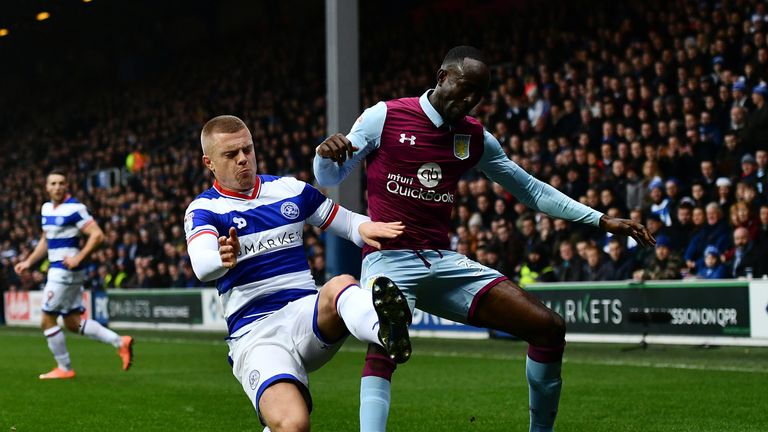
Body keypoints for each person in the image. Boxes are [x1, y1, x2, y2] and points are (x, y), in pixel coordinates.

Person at [313, 46, 655, 432]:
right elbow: (328, 178)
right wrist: (325, 156)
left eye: (479, 94)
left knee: (549, 327)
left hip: (442, 261)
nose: (470, 100)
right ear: (442, 77)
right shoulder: (386, 116)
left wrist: (600, 219)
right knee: (386, 340)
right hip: (389, 259)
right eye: (464, 87)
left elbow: (531, 190)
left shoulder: (473, 136)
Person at [184, 115, 412, 431]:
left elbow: (345, 222)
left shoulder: (289, 189)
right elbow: (201, 264)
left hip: (306, 316)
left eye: (247, 150)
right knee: (293, 425)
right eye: (231, 154)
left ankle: (386, 330)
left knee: (341, 285)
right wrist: (221, 259)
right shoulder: (205, 210)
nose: (243, 159)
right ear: (208, 162)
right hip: (256, 335)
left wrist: (367, 226)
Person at [13, 170, 134, 379]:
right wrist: (29, 261)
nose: (58, 187)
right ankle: (120, 342)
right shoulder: (46, 209)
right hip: (59, 270)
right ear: (47, 187)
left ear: (67, 185)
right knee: (72, 322)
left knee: (46, 320)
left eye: (61, 183)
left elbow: (97, 235)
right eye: (53, 183)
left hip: (64, 272)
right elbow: (46, 240)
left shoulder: (76, 208)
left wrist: (79, 258)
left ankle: (64, 368)